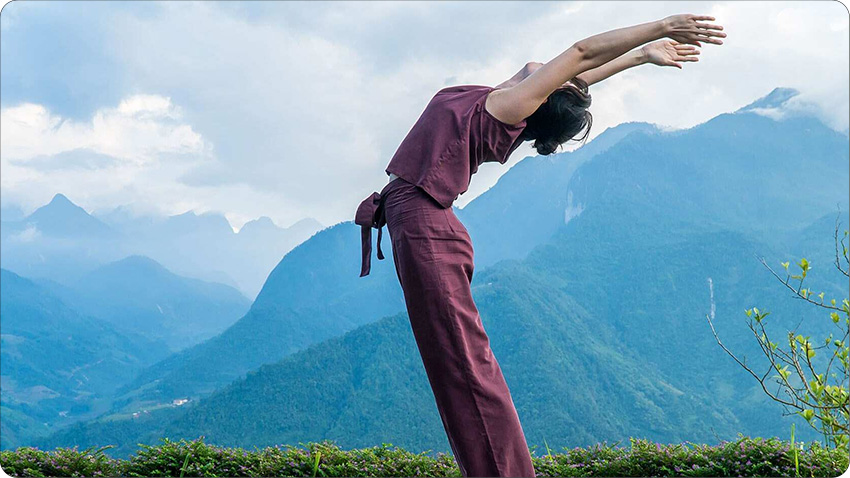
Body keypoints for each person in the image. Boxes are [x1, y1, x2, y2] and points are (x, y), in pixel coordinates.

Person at [355, 13, 725, 478]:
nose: (554, 68)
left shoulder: (507, 108)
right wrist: (639, 58)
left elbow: (580, 55)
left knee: (467, 369)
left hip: (427, 226)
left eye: (558, 78)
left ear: (544, 95)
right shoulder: (501, 100)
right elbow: (581, 70)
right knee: (460, 369)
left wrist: (662, 26)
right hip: (423, 223)